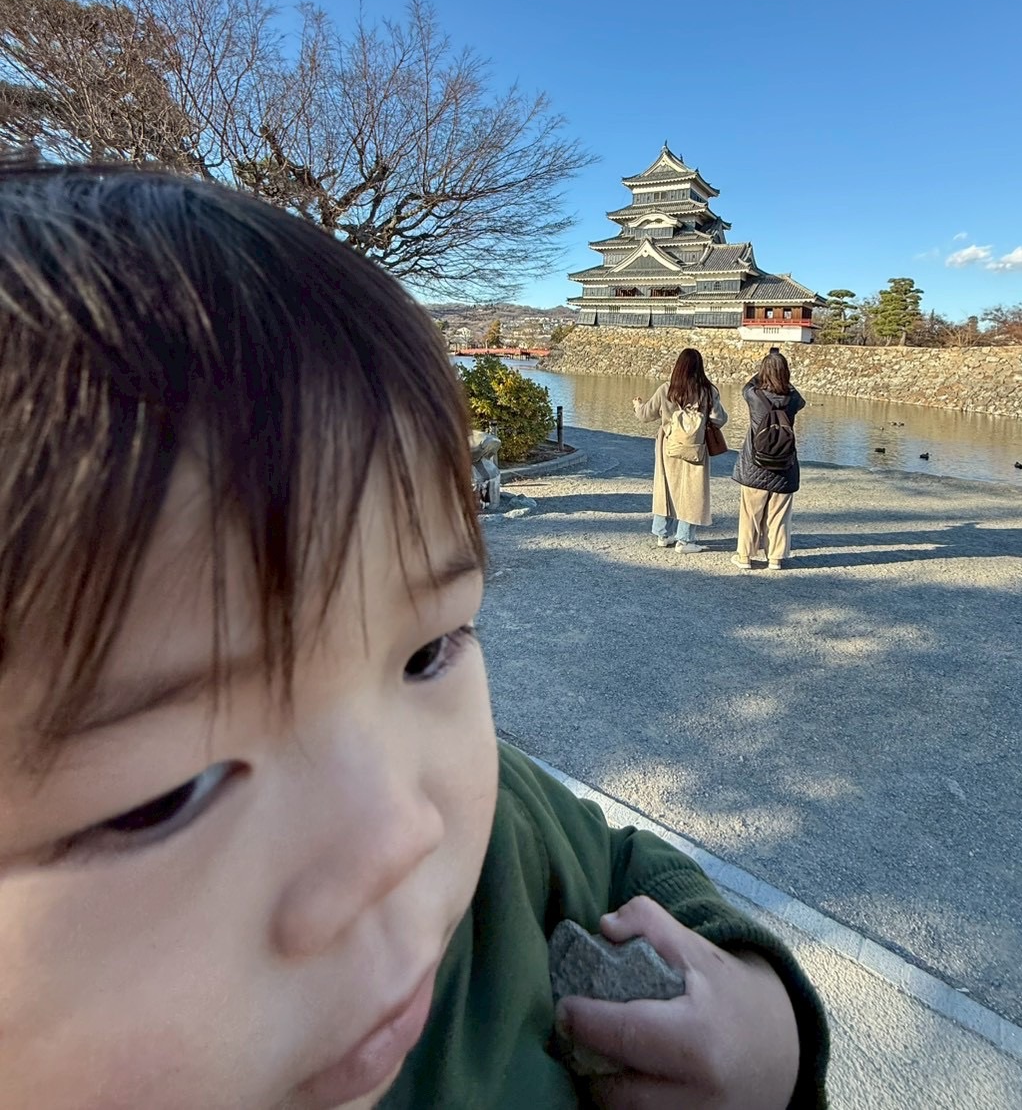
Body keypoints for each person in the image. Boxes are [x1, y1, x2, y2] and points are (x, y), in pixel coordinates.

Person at [0, 162, 828, 1109]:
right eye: (160, 793)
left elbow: (617, 861)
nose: (399, 832)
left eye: (426, 653)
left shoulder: (497, 848)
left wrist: (765, 1031)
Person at [632, 346, 727, 556]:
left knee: (666, 487)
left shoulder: (666, 389)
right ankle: (684, 539)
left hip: (668, 445)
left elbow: (645, 416)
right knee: (692, 492)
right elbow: (720, 419)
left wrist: (638, 405)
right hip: (695, 447)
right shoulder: (708, 391)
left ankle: (662, 534)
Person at [732, 349, 806, 572]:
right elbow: (800, 399)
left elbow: (746, 386)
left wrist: (762, 373)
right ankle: (775, 558)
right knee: (779, 514)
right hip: (784, 465)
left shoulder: (755, 396)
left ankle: (744, 556)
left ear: (763, 372)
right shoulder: (792, 400)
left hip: (755, 463)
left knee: (750, 514)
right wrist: (785, 381)